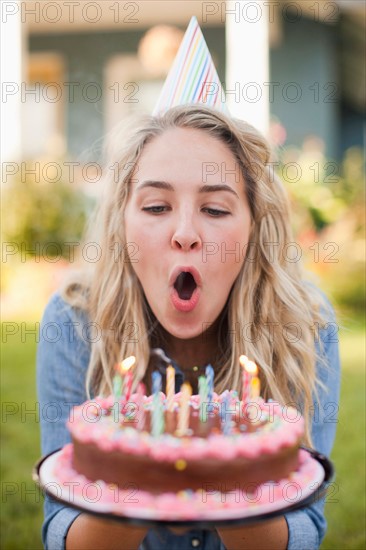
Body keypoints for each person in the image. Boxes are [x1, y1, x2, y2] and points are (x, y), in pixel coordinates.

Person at [37, 105, 340, 550]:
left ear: (255, 227)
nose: (184, 233)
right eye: (156, 206)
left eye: (215, 209)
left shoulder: (304, 326)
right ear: (122, 224)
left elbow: (303, 532)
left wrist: (227, 467)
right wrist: (136, 464)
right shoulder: (73, 323)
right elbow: (62, 532)